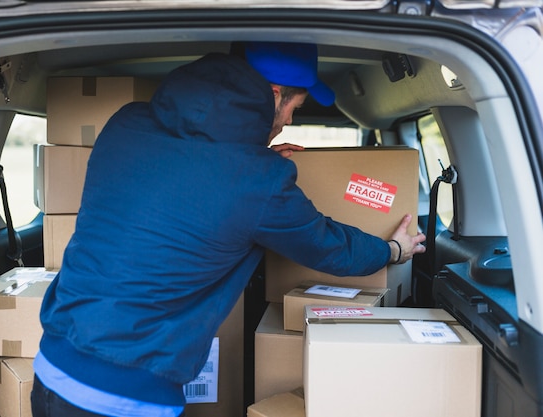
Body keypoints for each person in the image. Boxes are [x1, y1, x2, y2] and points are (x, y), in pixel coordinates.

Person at [31, 41, 426, 417]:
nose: (290, 121)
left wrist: (252, 164)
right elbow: (327, 246)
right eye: (295, 107)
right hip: (124, 395)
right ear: (274, 94)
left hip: (51, 364)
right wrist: (393, 249)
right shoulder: (258, 181)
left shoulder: (126, 123)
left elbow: (182, 182)